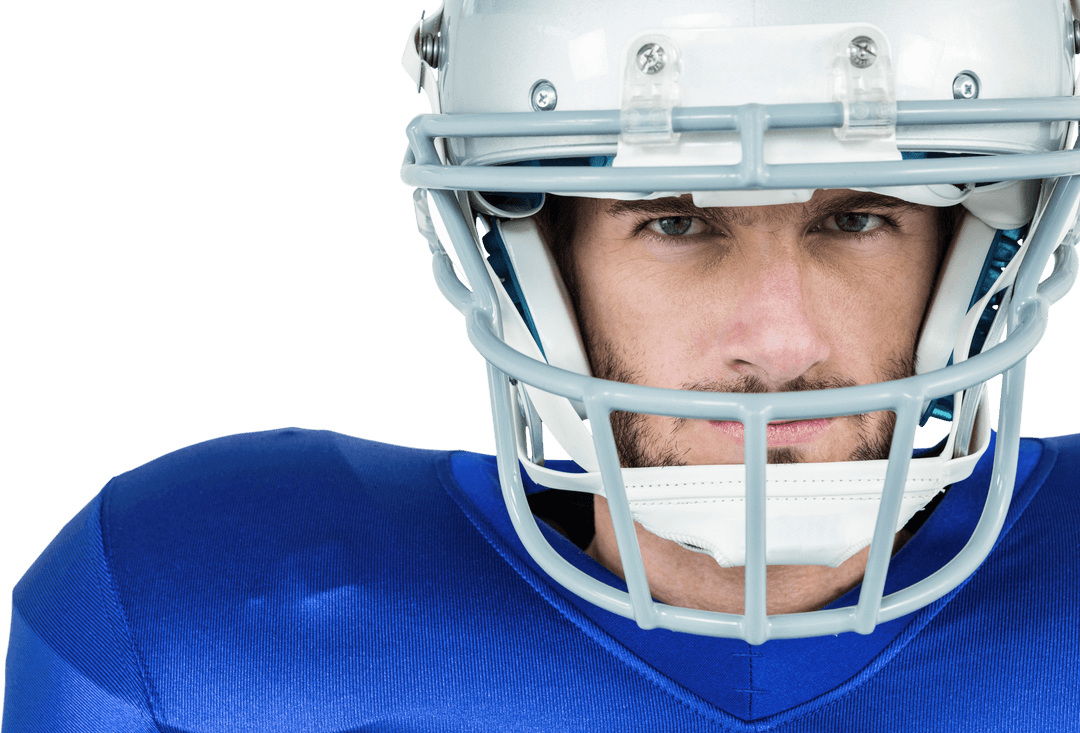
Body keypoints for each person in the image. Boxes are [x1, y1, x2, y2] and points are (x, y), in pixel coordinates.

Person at [4, 1, 1080, 729]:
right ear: (530, 259)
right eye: (674, 223)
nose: (780, 342)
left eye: (855, 218)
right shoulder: (204, 627)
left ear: (984, 242)